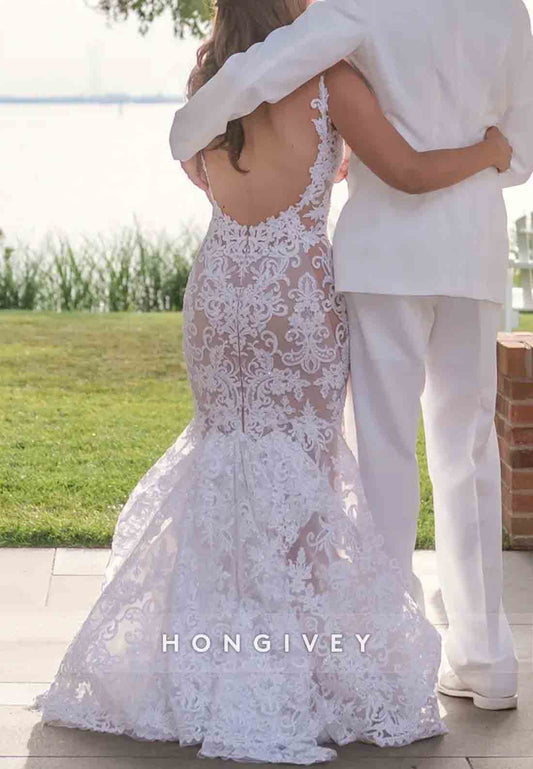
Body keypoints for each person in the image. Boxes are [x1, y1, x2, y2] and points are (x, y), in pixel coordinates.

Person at [29, 2, 515, 765]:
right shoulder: (330, 76)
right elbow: (408, 170)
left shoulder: (211, 79)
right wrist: (488, 149)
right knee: (306, 471)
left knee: (221, 458)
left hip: (220, 286)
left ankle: (207, 657)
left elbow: (197, 167)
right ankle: (316, 659)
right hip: (296, 292)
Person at [170, 0, 533, 711]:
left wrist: (194, 123)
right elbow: (519, 153)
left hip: (382, 256)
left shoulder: (358, 4)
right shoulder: (507, 10)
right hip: (471, 251)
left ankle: (389, 663)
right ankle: (485, 661)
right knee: (468, 455)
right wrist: (487, 154)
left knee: (383, 457)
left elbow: (258, 74)